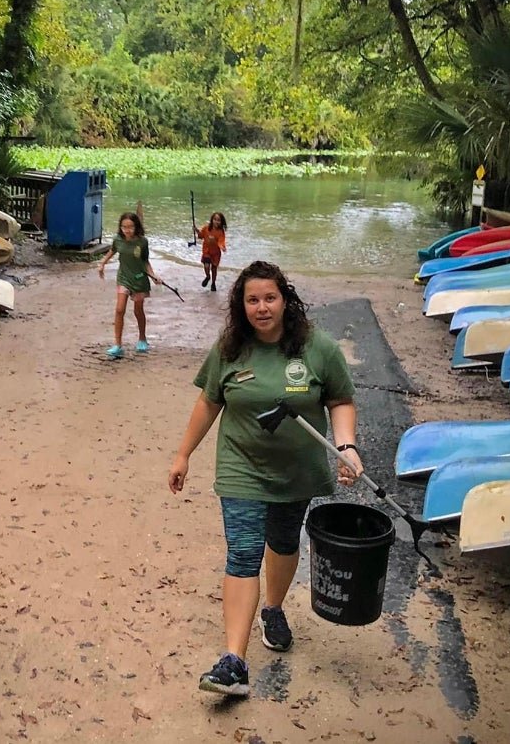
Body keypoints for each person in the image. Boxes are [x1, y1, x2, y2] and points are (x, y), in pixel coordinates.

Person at [167, 260, 363, 697]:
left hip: (297, 472)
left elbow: (340, 400)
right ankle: (234, 660)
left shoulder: (317, 348)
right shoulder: (230, 349)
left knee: (284, 541)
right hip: (242, 468)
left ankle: (272, 608)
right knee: (242, 553)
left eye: (269, 298)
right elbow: (208, 403)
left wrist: (346, 446)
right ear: (241, 305)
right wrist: (183, 455)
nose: (261, 307)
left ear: (284, 299)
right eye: (252, 300)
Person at [97, 211, 162, 358]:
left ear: (136, 227)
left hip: (139, 280)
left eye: (130, 227)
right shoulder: (118, 240)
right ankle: (118, 345)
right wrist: (102, 264)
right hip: (123, 278)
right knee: (119, 310)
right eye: (124, 227)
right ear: (120, 227)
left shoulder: (142, 242)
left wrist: (153, 276)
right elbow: (112, 251)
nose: (127, 230)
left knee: (138, 311)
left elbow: (145, 261)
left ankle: (142, 338)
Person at [195, 212, 228, 291]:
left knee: (214, 269)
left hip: (216, 254)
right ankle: (207, 276)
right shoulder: (206, 228)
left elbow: (221, 241)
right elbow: (201, 236)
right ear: (212, 220)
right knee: (206, 266)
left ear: (221, 222)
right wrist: (196, 230)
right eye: (215, 219)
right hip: (207, 251)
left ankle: (213, 283)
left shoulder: (221, 232)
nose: (216, 222)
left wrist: (222, 247)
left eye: (218, 220)